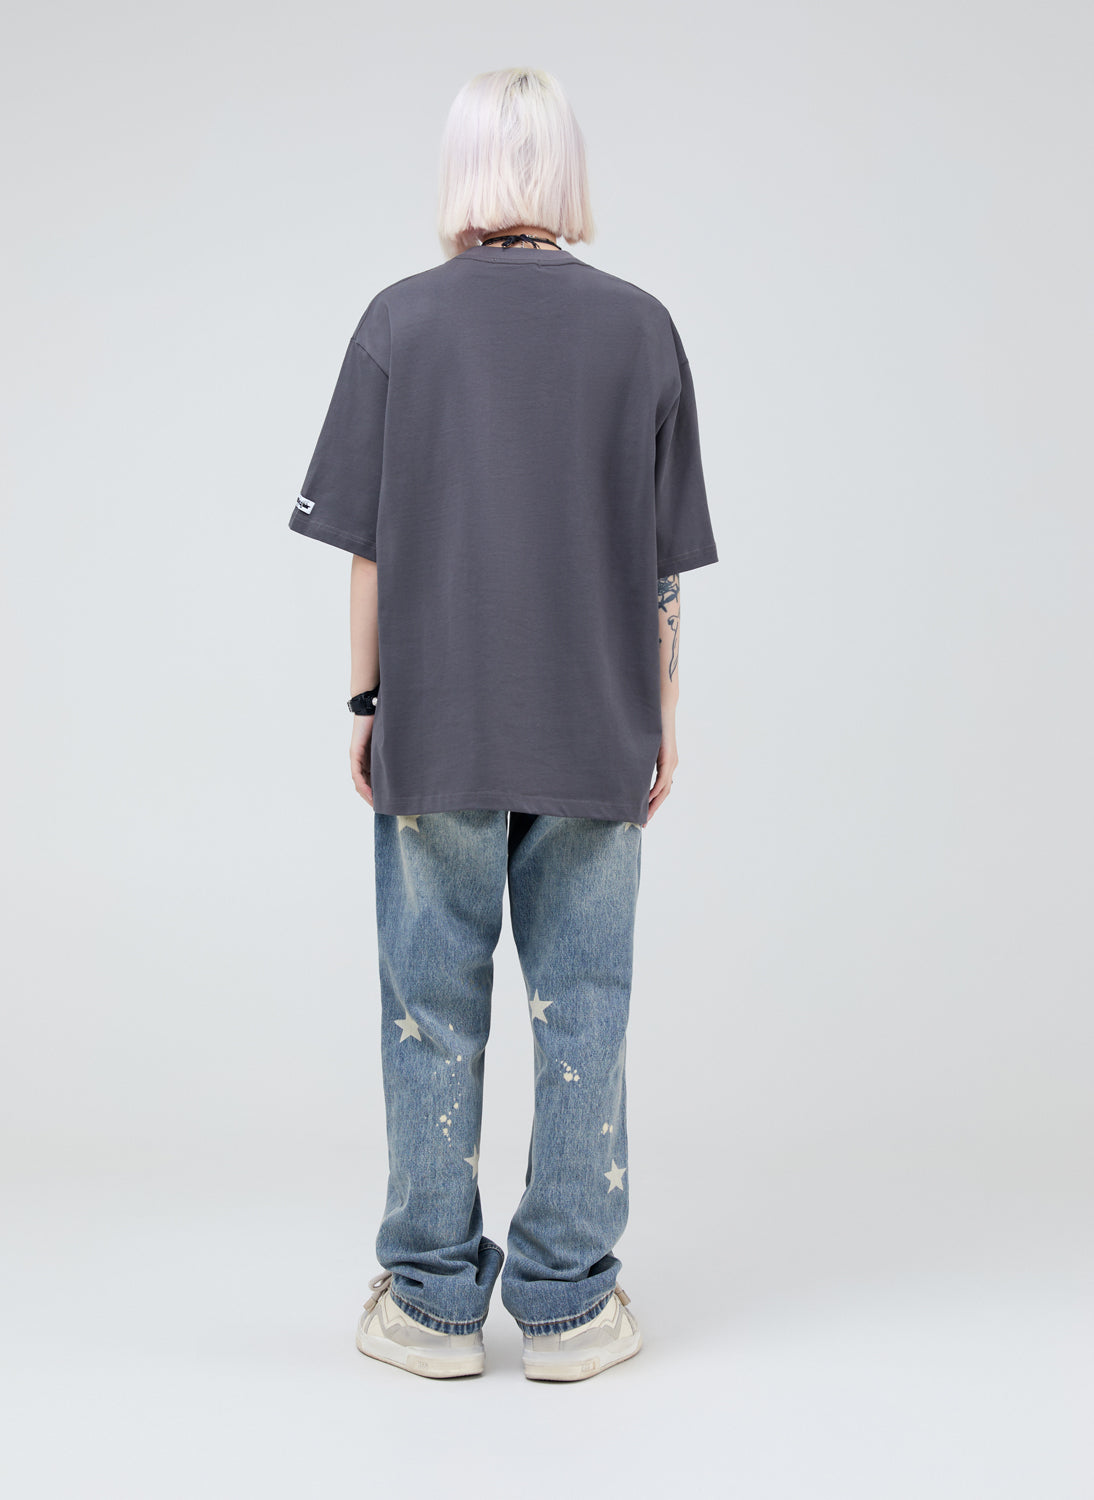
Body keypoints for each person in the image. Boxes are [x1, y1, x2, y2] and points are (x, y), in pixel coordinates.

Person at [288, 66, 719, 1382]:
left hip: (440, 722)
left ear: (462, 169)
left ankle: (428, 1306)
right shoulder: (642, 328)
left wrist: (367, 703)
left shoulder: (398, 323)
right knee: (584, 1007)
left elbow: (367, 550)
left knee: (431, 1008)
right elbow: (660, 564)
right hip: (595, 720)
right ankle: (569, 1305)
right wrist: (661, 717)